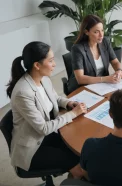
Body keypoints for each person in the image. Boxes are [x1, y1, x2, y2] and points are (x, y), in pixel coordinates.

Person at [7, 41, 87, 178]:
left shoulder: (43, 79)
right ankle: (76, 177)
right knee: (75, 161)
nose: (54, 64)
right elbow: (43, 128)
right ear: (37, 65)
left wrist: (69, 104)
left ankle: (74, 177)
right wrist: (73, 114)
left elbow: (55, 98)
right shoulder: (23, 92)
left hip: (47, 136)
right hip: (33, 148)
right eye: (51, 61)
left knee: (81, 150)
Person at [68, 14, 122, 93]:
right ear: (86, 32)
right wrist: (105, 79)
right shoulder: (77, 49)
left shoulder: (105, 42)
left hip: (103, 86)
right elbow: (80, 78)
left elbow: (115, 62)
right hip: (83, 88)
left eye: (102, 30)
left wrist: (119, 70)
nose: (101, 35)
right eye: (96, 32)